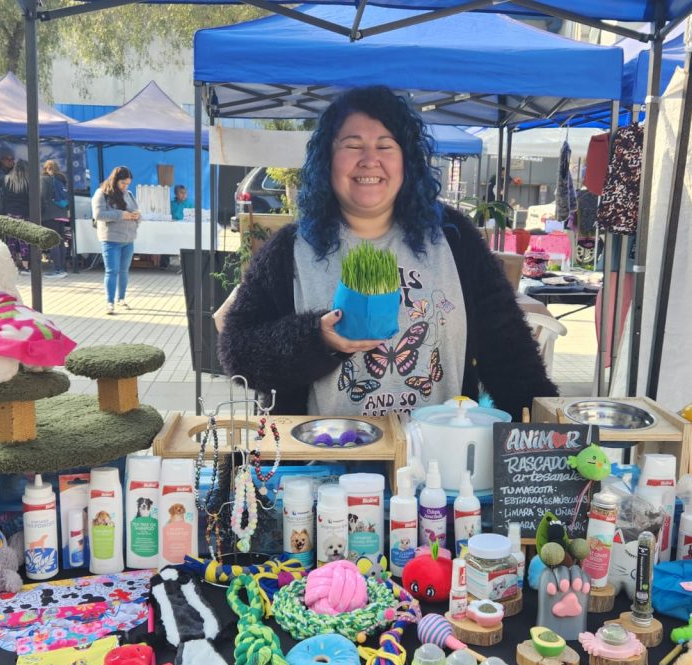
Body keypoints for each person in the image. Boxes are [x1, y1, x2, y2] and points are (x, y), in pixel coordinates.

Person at [218, 86, 557, 418]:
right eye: (353, 145)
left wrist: (549, 431)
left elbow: (510, 353)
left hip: (439, 451)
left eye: (385, 145)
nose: (370, 160)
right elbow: (238, 352)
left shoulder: (454, 238)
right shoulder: (289, 250)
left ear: (407, 160)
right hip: (322, 453)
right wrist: (316, 340)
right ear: (327, 159)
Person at [92, 166, 140, 315]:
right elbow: (98, 215)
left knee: (124, 270)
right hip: (111, 239)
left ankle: (121, 299)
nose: (125, 187)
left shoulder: (129, 194)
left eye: (128, 184)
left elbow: (137, 211)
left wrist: (137, 216)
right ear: (115, 180)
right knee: (112, 271)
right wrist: (121, 215)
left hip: (128, 239)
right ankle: (110, 302)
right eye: (123, 183)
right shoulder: (101, 193)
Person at [0, 160, 31, 273]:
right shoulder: (28, 181)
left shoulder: (6, 179)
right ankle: (25, 266)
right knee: (23, 241)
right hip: (24, 214)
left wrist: (0, 195)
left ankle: (12, 266)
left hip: (9, 213)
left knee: (11, 241)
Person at [40, 159, 69, 278]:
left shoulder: (45, 180)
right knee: (61, 241)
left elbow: (42, 196)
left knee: (53, 241)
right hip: (62, 213)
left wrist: (40, 212)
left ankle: (57, 270)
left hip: (50, 214)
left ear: (46, 169)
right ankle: (62, 268)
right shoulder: (62, 179)